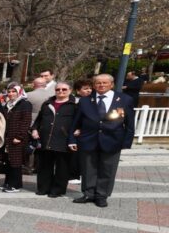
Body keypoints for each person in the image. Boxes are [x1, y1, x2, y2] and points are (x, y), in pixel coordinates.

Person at [69, 73, 135, 208]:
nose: (101, 85)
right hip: (88, 140)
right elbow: (76, 122)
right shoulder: (85, 100)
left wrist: (126, 142)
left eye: (105, 83)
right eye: (98, 83)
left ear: (111, 84)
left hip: (113, 140)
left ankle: (101, 195)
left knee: (107, 170)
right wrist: (72, 139)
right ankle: (88, 193)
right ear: (94, 85)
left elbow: (130, 124)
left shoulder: (124, 99)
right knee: (88, 169)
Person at [31, 81, 75, 198]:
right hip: (45, 140)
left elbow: (79, 122)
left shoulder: (74, 105)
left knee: (62, 168)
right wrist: (34, 129)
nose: (60, 91)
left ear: (70, 91)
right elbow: (39, 119)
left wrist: (77, 132)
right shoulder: (47, 103)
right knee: (44, 166)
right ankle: (43, 188)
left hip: (63, 140)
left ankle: (57, 190)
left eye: (64, 89)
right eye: (58, 89)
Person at [0, 84, 32, 193]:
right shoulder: (7, 104)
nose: (11, 94)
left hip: (17, 138)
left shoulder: (25, 104)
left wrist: (19, 136)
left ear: (19, 92)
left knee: (16, 162)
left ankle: (15, 185)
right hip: (7, 137)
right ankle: (8, 183)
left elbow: (26, 121)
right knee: (8, 161)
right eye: (9, 91)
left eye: (14, 91)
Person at [67, 79, 92, 185]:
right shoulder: (73, 102)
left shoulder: (92, 101)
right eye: (85, 89)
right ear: (78, 91)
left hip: (86, 132)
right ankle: (73, 174)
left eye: (90, 88)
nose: (89, 91)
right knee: (74, 154)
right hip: (73, 132)